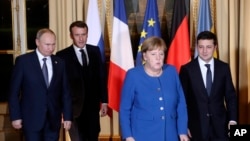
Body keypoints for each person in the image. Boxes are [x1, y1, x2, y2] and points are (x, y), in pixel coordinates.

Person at [119, 36, 189, 141]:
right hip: (142, 134)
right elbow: (125, 109)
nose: (158, 58)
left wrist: (182, 131)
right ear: (145, 56)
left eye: (161, 54)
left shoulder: (171, 71)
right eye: (153, 54)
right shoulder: (133, 75)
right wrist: (128, 136)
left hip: (170, 134)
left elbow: (181, 104)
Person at [8, 28, 72, 141]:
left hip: (53, 120)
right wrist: (15, 116)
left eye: (53, 44)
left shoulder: (60, 63)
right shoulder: (23, 62)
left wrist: (67, 116)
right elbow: (13, 92)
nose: (51, 48)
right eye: (47, 44)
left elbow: (65, 92)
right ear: (37, 42)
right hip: (31, 119)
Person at [179, 31, 238, 141]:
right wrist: (184, 126)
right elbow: (182, 101)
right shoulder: (187, 70)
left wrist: (233, 120)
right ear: (197, 47)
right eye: (201, 47)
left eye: (208, 47)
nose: (204, 51)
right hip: (196, 128)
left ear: (215, 47)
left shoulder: (223, 68)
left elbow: (231, 96)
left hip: (221, 127)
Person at [56, 21, 108, 141]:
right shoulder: (62, 55)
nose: (81, 38)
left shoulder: (95, 51)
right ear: (71, 36)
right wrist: (62, 109)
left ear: (87, 34)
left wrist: (104, 101)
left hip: (93, 108)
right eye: (77, 35)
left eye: (83, 34)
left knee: (93, 137)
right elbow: (60, 85)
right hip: (74, 109)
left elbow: (101, 77)